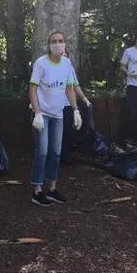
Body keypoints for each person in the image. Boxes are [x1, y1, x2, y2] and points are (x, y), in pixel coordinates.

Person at [29, 31, 82, 206]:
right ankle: (37, 191)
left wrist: (75, 110)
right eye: (54, 41)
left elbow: (69, 88)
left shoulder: (67, 63)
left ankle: (51, 188)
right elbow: (32, 89)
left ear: (65, 44)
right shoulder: (41, 63)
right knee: (42, 151)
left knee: (56, 152)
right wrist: (37, 112)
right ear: (48, 45)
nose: (57, 44)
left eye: (60, 41)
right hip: (42, 114)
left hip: (58, 114)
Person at [60, 46, 91, 164]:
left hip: (68, 104)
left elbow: (75, 85)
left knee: (68, 131)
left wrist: (84, 98)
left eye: (65, 54)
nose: (64, 56)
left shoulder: (69, 68)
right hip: (54, 105)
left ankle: (66, 157)